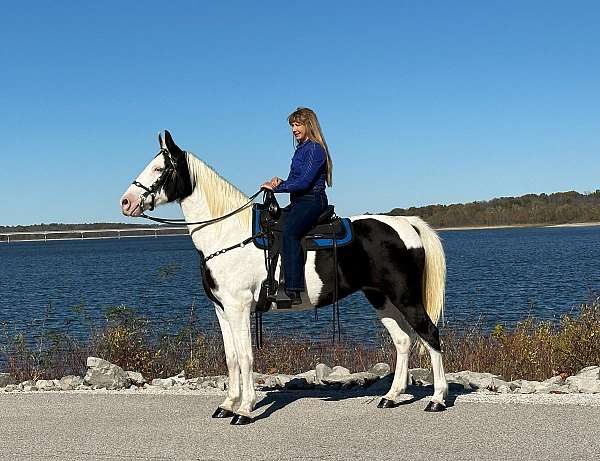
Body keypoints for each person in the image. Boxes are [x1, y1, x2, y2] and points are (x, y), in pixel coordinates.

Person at [261, 107, 333, 305]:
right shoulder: (301, 149)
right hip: (299, 200)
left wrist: (276, 188)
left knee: (291, 232)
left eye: (297, 124)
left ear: (309, 125)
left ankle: (293, 289)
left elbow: (303, 183)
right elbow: (296, 179)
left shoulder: (316, 149)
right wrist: (280, 181)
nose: (294, 129)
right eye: (292, 125)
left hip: (312, 200)